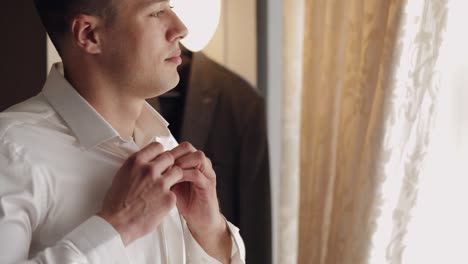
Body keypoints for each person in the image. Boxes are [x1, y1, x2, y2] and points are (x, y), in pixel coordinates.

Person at [0, 0, 245, 263]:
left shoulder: (162, 141)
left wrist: (210, 233)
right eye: (156, 12)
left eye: (170, 7)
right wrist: (116, 226)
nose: (181, 29)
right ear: (89, 35)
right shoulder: (10, 150)